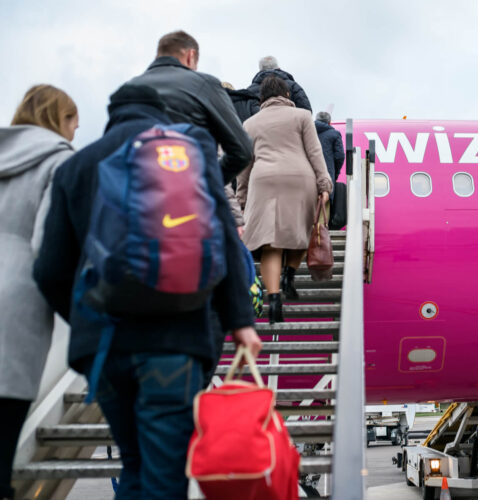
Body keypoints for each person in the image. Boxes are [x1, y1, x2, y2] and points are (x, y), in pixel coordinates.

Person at [33, 84, 261, 500]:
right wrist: (240, 321)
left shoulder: (77, 167)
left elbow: (49, 271)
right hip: (177, 340)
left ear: (112, 114)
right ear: (161, 114)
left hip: (105, 345)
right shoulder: (189, 161)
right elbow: (226, 243)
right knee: (166, 468)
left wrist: (88, 317)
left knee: (133, 461)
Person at [0, 84, 77, 500]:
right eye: (73, 125)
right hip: (16, 303)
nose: (74, 134)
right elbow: (49, 248)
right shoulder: (58, 161)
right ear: (60, 120)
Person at [237, 76, 331, 322]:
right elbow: (314, 152)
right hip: (299, 180)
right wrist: (324, 183)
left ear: (262, 99)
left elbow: (245, 166)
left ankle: (275, 301)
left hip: (264, 181)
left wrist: (241, 197)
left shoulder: (249, 123)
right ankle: (289, 275)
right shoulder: (302, 116)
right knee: (300, 234)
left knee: (271, 243)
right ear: (287, 95)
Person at [128, 30, 252, 184]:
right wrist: (207, 183)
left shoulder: (128, 88)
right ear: (190, 56)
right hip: (186, 192)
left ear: (157, 56)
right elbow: (242, 150)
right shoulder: (205, 84)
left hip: (137, 193)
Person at [247, 56, 312, 113]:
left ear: (260, 70)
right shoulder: (293, 85)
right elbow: (306, 110)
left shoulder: (249, 91)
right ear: (278, 68)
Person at [314, 111, 345, 196]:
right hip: (326, 181)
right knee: (325, 207)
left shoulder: (307, 132)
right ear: (329, 122)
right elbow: (339, 156)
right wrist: (335, 174)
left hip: (308, 181)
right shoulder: (335, 134)